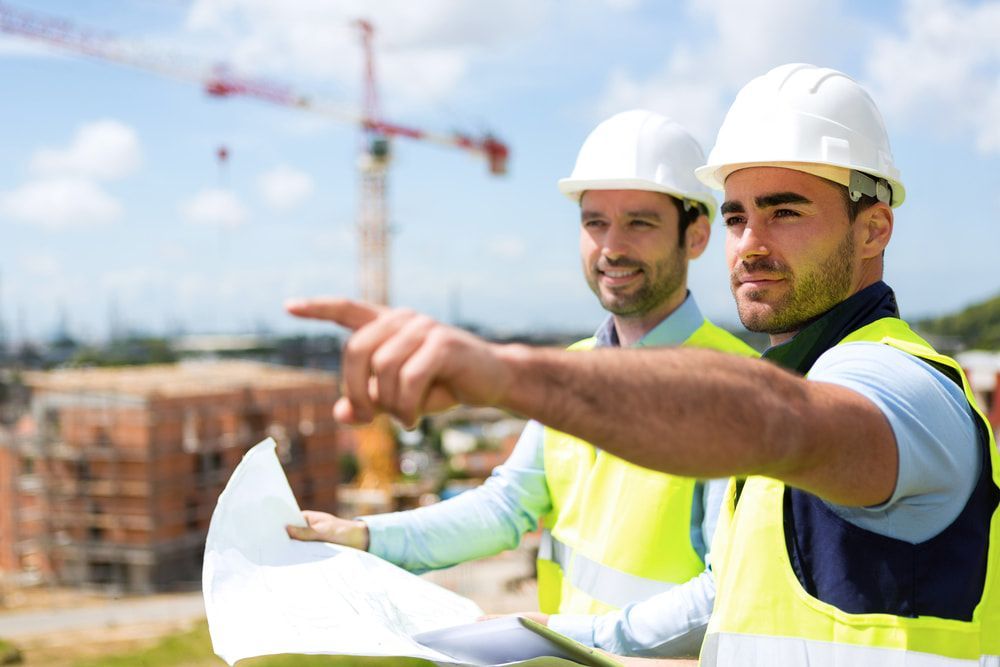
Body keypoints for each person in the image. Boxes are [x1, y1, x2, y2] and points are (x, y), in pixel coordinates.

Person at [287, 63, 999, 665]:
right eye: (737, 215)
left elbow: (779, 421)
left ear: (873, 227)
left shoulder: (910, 386)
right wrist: (376, 543)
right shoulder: (791, 375)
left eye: (785, 212)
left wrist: (508, 375)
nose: (750, 243)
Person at [287, 110, 758, 658]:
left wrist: (560, 634)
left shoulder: (739, 387)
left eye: (640, 222)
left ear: (696, 235)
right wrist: (364, 536)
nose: (611, 246)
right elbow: (507, 507)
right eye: (594, 222)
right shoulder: (570, 369)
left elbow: (725, 593)